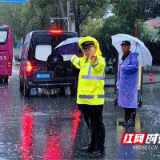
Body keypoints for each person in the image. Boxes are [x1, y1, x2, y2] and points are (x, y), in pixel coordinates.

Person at [71, 36, 106, 158]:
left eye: (89, 48)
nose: (86, 51)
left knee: (97, 125)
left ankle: (100, 148)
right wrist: (73, 57)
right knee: (90, 124)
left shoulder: (100, 60)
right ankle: (92, 145)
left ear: (95, 48)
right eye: (84, 49)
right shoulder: (83, 61)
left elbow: (97, 65)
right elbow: (76, 61)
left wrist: (94, 61)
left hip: (95, 101)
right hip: (83, 100)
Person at [116, 40, 139, 126]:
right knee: (125, 101)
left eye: (125, 46)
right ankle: (126, 118)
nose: (123, 48)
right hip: (124, 83)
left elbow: (135, 67)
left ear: (129, 47)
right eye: (122, 46)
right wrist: (118, 81)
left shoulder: (132, 56)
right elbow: (120, 70)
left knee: (131, 101)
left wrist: (124, 67)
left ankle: (131, 120)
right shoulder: (123, 56)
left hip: (131, 84)